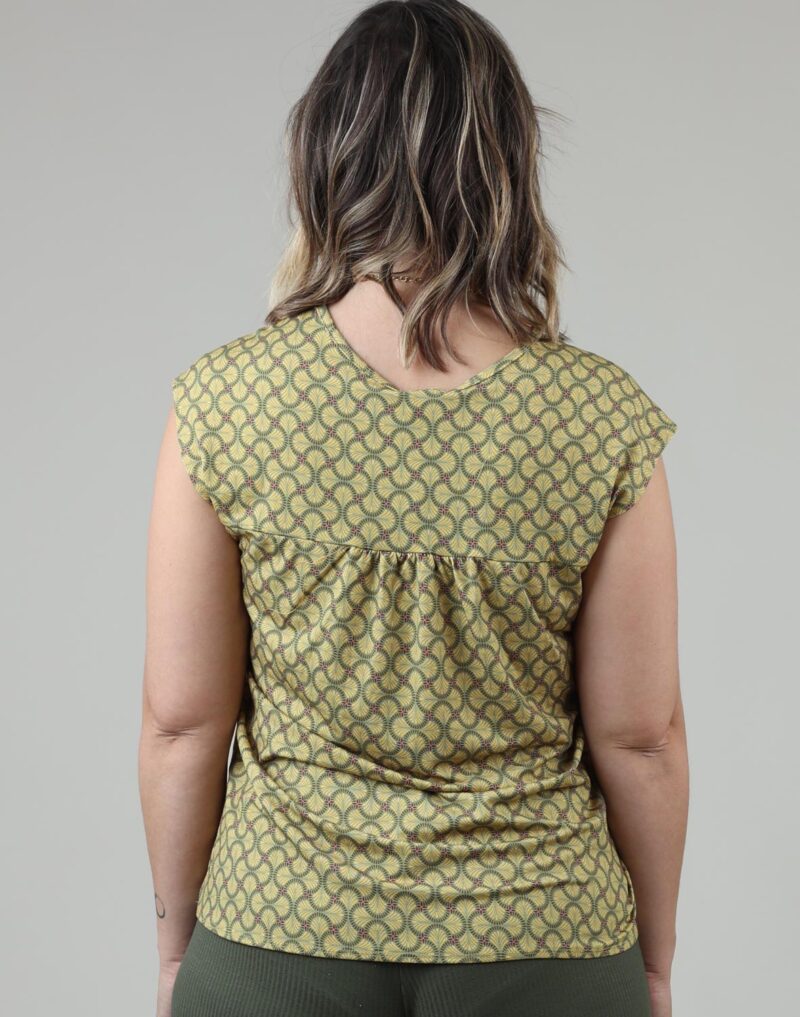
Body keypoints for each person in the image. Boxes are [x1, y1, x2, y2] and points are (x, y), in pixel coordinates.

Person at [139, 1, 689, 1015]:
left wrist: (178, 950)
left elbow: (180, 725)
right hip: (544, 936)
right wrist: (651, 963)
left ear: (325, 157)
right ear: (507, 166)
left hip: (278, 928)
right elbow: (641, 738)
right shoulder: (601, 418)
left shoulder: (223, 401)